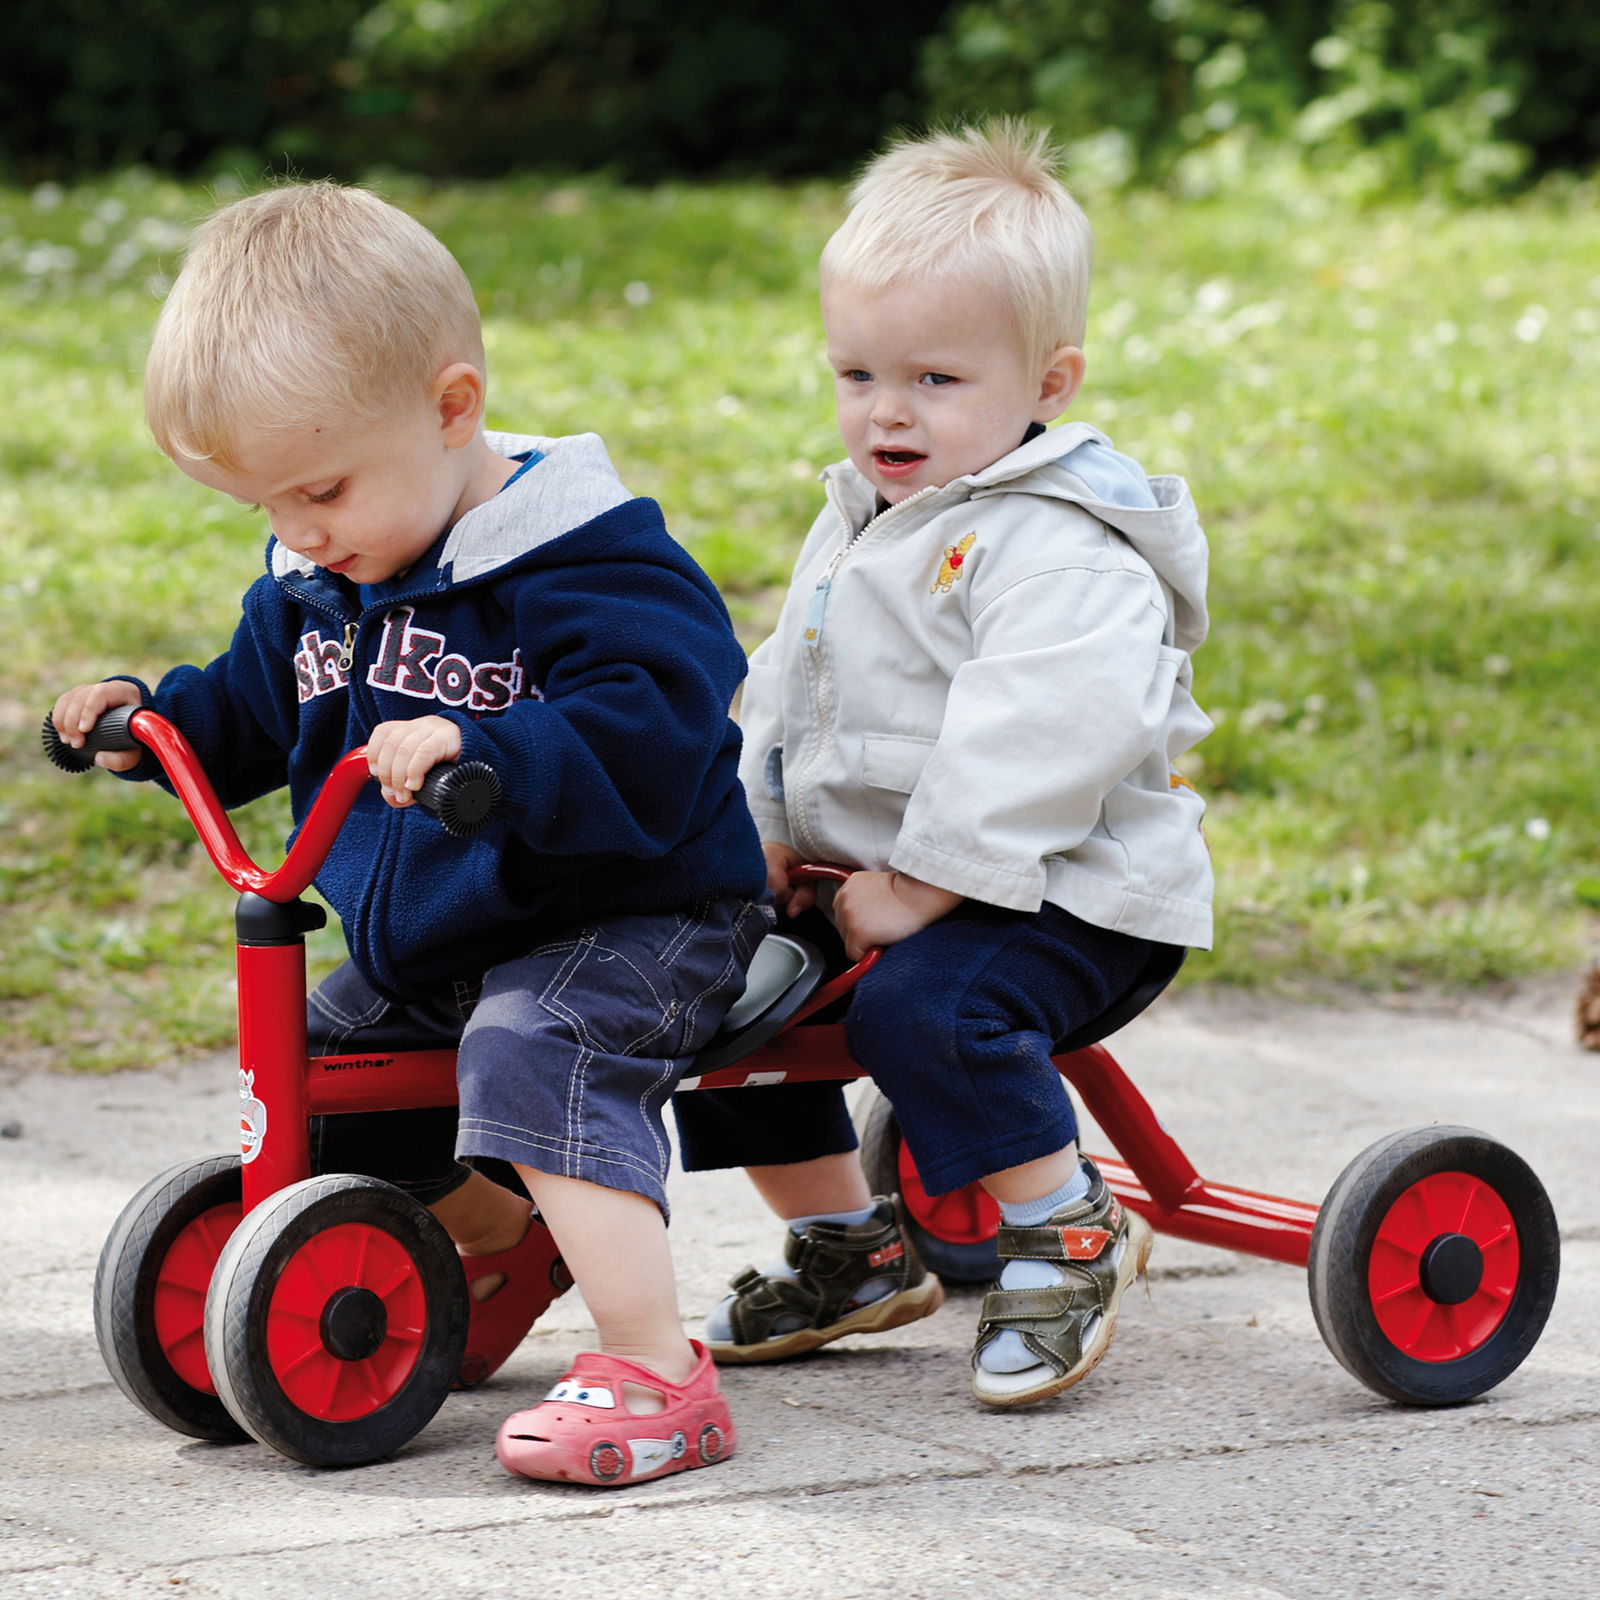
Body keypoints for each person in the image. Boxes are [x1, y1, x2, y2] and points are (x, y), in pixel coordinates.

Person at [50, 181, 772, 1484]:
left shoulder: (583, 555)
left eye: (319, 489)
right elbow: (257, 707)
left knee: (533, 1045)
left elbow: (663, 715)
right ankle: (439, 1263)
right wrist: (153, 720)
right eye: (265, 507)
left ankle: (662, 1370)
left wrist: (493, 749)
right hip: (449, 925)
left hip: (631, 910)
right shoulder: (327, 576)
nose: (298, 533)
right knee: (322, 1059)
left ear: (452, 410)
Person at [671, 120, 1214, 1408]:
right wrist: (758, 823)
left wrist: (922, 885)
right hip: (885, 879)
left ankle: (1074, 1232)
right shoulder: (870, 516)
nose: (887, 411)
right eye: (857, 374)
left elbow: (1043, 735)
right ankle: (849, 1247)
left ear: (1050, 381)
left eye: (934, 380)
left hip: (1074, 896)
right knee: (707, 990)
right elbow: (786, 685)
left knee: (923, 1012)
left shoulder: (1062, 550)